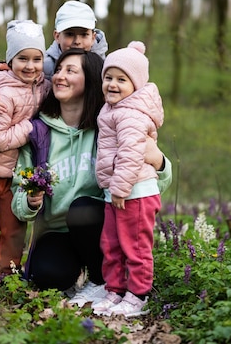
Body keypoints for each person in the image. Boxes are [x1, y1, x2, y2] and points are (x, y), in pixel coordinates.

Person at [10, 47, 172, 309]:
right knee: (48, 275)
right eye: (59, 69)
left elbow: (154, 184)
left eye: (70, 71)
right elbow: (18, 197)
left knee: (83, 208)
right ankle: (79, 276)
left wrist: (159, 161)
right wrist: (29, 201)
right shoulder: (39, 132)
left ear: (91, 79)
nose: (60, 76)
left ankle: (101, 281)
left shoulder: (110, 125)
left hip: (99, 222)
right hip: (57, 230)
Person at [0, 20, 52, 284]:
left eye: (37, 59)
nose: (30, 66)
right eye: (22, 58)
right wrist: (28, 127)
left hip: (15, 172)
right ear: (10, 61)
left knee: (14, 227)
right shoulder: (1, 93)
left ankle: (9, 274)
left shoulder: (43, 85)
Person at [90, 41, 164, 317]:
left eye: (122, 79)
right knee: (112, 244)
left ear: (136, 84)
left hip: (135, 192)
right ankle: (116, 290)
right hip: (117, 191)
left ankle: (138, 294)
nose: (112, 84)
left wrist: (119, 188)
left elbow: (132, 154)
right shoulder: (112, 110)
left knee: (135, 246)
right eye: (108, 77)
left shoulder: (131, 114)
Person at [0, 0, 108, 113]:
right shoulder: (44, 64)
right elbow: (7, 81)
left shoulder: (104, 65)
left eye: (84, 34)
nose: (77, 41)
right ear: (57, 36)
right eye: (69, 34)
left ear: (93, 37)